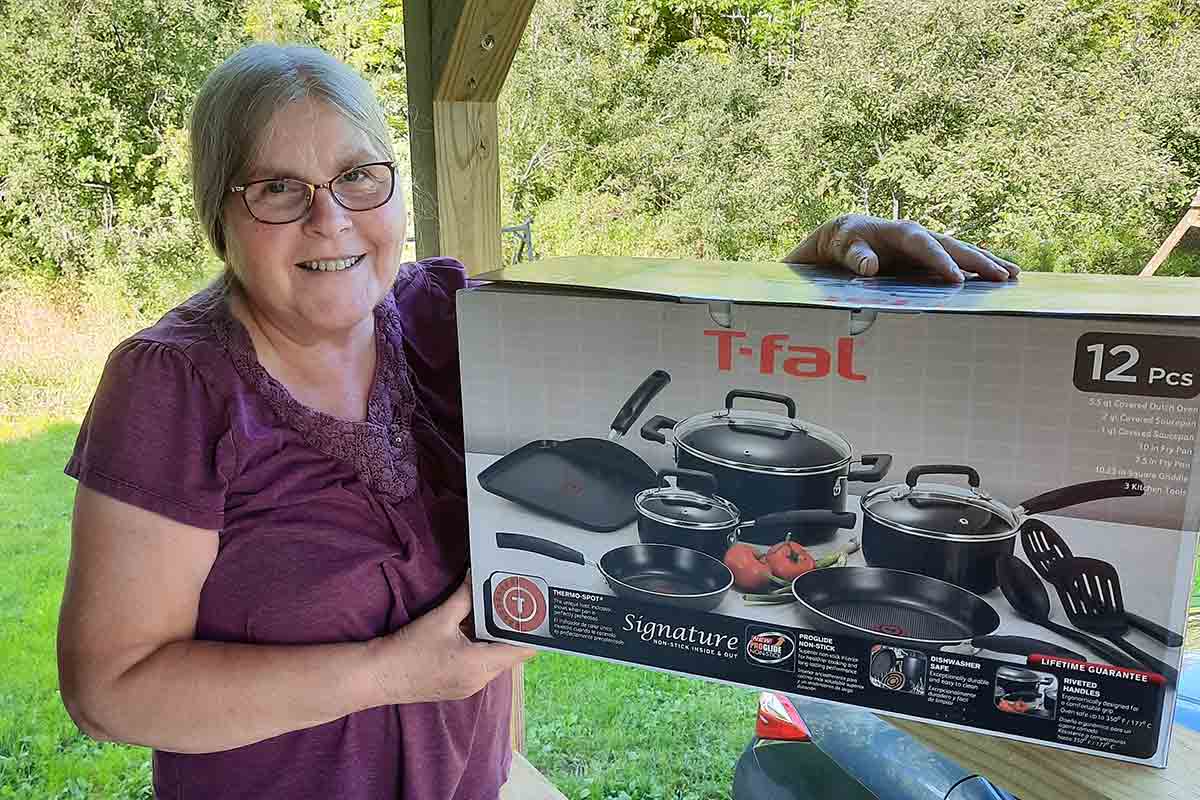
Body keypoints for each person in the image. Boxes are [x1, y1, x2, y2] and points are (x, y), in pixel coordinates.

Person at [54, 42, 1019, 800]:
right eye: (276, 189)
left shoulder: (452, 321)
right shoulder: (173, 385)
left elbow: (674, 338)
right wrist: (392, 674)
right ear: (216, 214)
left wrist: (802, 284)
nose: (331, 219)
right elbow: (113, 689)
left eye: (359, 175)